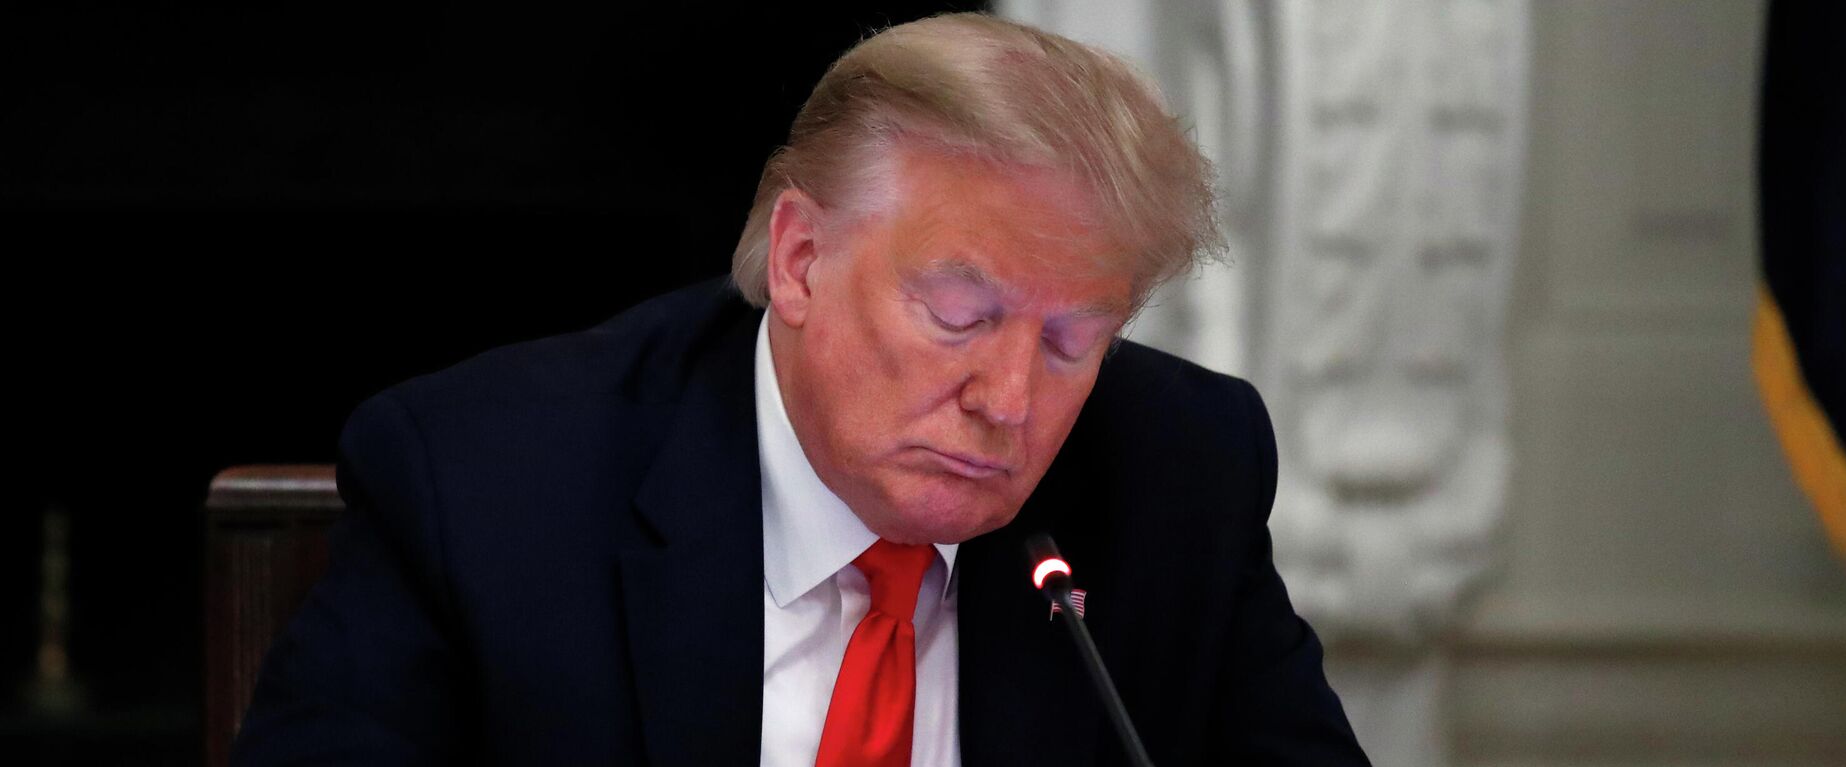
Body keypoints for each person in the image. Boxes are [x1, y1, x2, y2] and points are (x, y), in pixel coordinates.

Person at [232, 12, 1367, 766]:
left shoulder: (1180, 473)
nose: (1011, 399)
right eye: (959, 315)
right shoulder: (489, 481)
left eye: (1075, 339)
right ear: (801, 260)